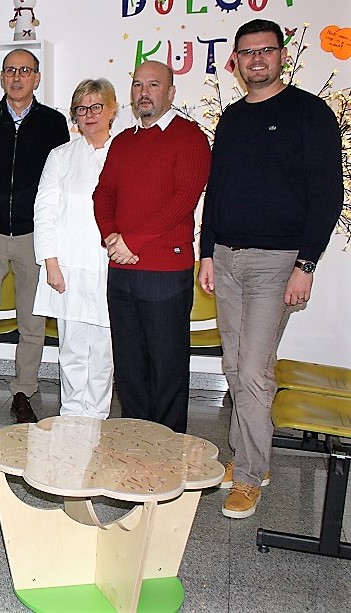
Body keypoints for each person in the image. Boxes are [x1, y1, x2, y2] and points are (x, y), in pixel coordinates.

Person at [198, 19, 343, 519]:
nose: (256, 59)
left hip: (278, 263)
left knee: (254, 371)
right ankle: (248, 457)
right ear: (235, 61)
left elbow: (328, 194)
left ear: (281, 55)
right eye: (247, 52)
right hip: (227, 258)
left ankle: (249, 475)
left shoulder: (310, 113)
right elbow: (216, 191)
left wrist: (307, 263)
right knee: (234, 366)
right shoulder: (232, 118)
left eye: (266, 50)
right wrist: (207, 252)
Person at [93, 60, 211, 434]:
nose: (144, 92)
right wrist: (111, 236)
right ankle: (135, 444)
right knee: (129, 369)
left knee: (166, 369)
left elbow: (184, 199)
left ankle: (169, 450)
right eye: (138, 85)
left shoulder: (190, 137)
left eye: (154, 85)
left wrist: (132, 241)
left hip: (165, 273)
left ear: (171, 92)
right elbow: (103, 194)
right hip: (121, 271)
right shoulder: (122, 142)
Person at [0, 49, 69, 426]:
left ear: (37, 78)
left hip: (33, 235)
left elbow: (60, 183)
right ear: (2, 77)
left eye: (25, 70)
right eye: (10, 70)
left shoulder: (53, 123)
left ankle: (24, 391)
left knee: (32, 321)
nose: (17, 77)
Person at [33, 78, 118, 419]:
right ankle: (71, 416)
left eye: (96, 106)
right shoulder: (61, 156)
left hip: (111, 266)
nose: (90, 114)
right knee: (71, 349)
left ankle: (96, 416)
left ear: (111, 110)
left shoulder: (124, 152)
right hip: (68, 266)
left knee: (103, 350)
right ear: (74, 116)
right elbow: (44, 211)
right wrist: (51, 263)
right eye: (82, 109)